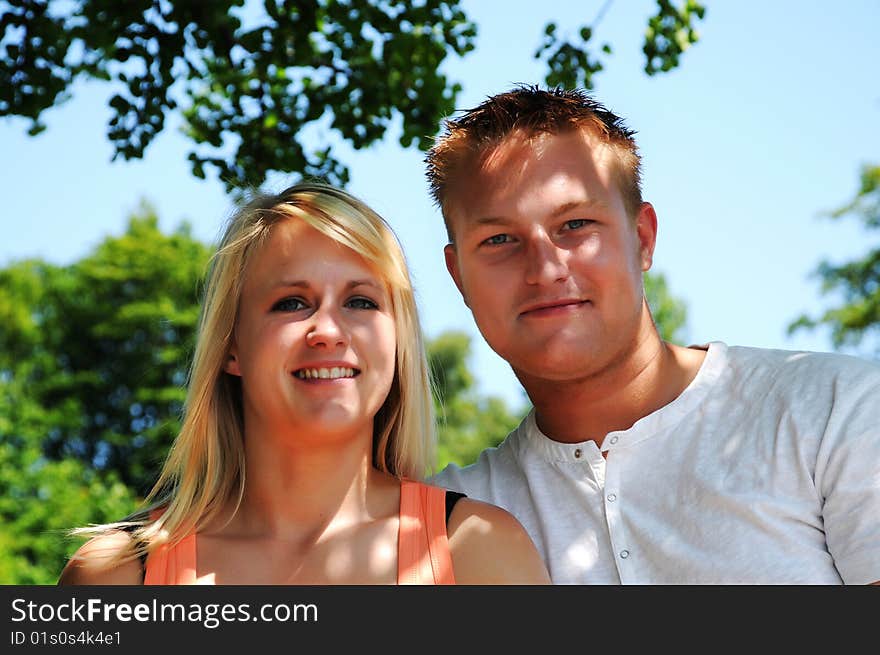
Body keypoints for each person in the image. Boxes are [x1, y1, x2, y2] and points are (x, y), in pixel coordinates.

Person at [426, 85, 880, 584]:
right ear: (458, 276)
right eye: (499, 239)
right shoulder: (438, 526)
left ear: (643, 239)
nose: (545, 268)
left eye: (575, 224)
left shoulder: (836, 411)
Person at [58, 182, 550, 585]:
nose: (329, 332)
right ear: (231, 346)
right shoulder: (114, 577)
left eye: (361, 302)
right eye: (292, 303)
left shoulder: (479, 554)